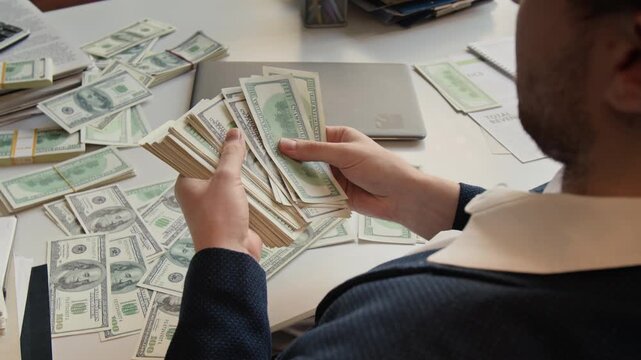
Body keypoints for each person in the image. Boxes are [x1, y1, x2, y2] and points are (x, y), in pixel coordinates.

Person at [167, 0, 641, 358]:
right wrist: (429, 199)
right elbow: (558, 229)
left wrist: (223, 260)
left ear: (629, 65)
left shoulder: (402, 333)